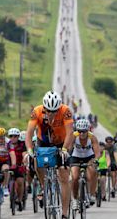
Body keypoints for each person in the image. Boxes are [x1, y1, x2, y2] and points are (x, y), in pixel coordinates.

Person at [25, 90, 74, 219]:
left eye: (55, 111)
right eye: (49, 110)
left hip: (61, 143)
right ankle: (43, 185)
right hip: (44, 141)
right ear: (44, 108)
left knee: (63, 174)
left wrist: (64, 150)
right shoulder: (36, 111)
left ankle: (64, 213)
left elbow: (70, 133)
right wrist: (30, 150)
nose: (51, 113)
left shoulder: (65, 110)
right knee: (36, 161)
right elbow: (29, 133)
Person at [70, 119, 100, 209]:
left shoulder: (92, 137)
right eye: (79, 131)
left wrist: (96, 159)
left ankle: (92, 195)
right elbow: (69, 148)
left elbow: (97, 151)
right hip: (76, 156)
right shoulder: (74, 136)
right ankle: (75, 200)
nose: (82, 134)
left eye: (84, 131)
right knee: (75, 178)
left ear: (88, 130)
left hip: (89, 157)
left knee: (93, 172)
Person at [8, 128, 27, 211]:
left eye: (15, 136)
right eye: (11, 136)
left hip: (19, 166)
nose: (13, 138)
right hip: (9, 166)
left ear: (18, 137)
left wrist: (24, 161)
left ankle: (19, 200)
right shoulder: (7, 144)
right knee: (7, 179)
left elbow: (24, 154)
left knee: (20, 182)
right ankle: (10, 194)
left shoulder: (22, 144)